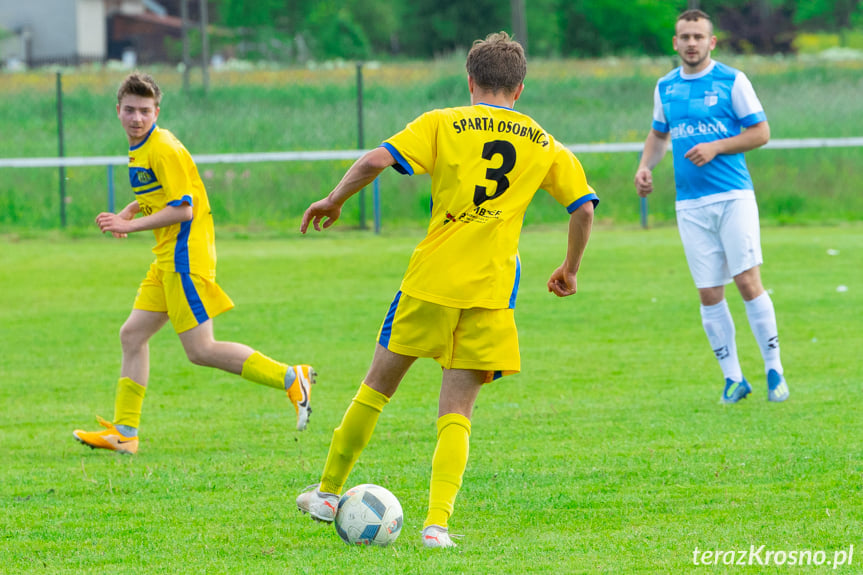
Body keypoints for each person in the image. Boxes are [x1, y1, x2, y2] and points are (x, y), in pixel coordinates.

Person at [295, 32, 598, 548]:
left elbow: (374, 161)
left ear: (470, 79)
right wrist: (569, 268)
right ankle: (437, 525)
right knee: (457, 411)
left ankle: (327, 493)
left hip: (430, 284)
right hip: (490, 293)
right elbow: (584, 207)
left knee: (376, 388)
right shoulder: (544, 142)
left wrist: (333, 199)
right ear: (519, 89)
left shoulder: (442, 122)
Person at [72, 72, 317, 455]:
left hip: (185, 259)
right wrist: (130, 209)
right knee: (132, 335)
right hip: (166, 258)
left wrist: (129, 225)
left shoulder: (163, 147)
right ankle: (124, 433)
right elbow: (162, 193)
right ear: (118, 111)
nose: (137, 118)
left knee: (201, 350)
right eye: (131, 110)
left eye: (145, 111)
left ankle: (290, 377)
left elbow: (183, 209)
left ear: (157, 111)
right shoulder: (143, 147)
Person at [634, 9, 789, 404]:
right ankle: (733, 379)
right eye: (684, 36)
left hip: (733, 196)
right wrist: (644, 167)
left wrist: (717, 146)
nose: (691, 43)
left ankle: (775, 371)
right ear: (675, 42)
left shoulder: (732, 81)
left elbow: (761, 132)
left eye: (698, 36)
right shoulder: (665, 87)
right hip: (690, 204)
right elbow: (658, 136)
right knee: (708, 292)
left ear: (711, 42)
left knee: (747, 281)